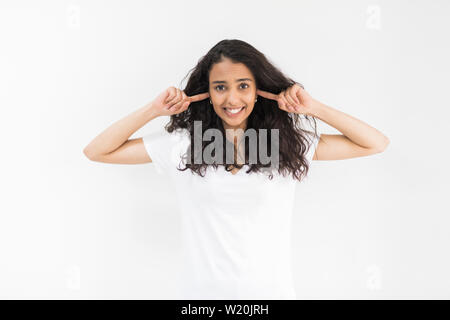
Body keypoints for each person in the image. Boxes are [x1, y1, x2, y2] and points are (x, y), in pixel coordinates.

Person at [83, 39, 390, 300]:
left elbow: (374, 143)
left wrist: (314, 108)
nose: (232, 99)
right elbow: (97, 151)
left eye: (243, 86)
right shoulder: (184, 144)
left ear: (259, 90)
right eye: (220, 87)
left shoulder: (284, 145)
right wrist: (154, 110)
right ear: (207, 93)